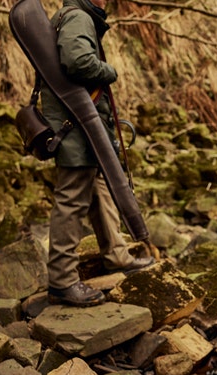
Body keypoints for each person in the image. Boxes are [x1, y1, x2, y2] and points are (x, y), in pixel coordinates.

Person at [42, 0, 154, 307]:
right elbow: (78, 62)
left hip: (80, 123)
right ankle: (62, 282)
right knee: (72, 200)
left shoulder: (74, 15)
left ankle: (116, 255)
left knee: (101, 188)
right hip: (75, 125)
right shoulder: (79, 17)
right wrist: (110, 70)